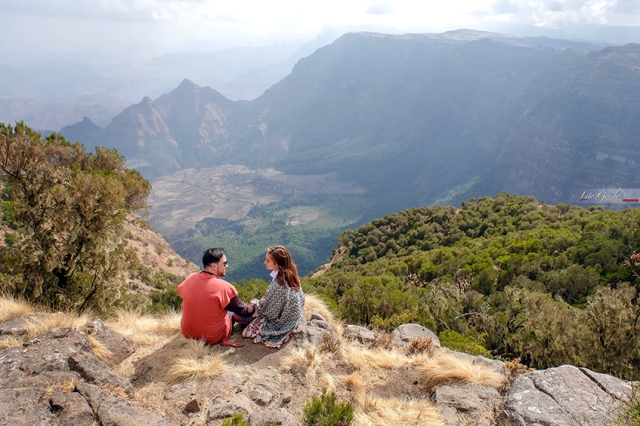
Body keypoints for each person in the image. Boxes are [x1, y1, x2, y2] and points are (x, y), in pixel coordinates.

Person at [177, 247, 254, 346]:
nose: (227, 265)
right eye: (224, 263)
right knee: (231, 311)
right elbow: (242, 310)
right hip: (212, 338)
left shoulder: (190, 278)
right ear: (213, 266)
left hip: (187, 333)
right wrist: (255, 307)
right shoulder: (224, 287)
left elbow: (181, 291)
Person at [242, 245, 305, 349]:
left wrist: (257, 305)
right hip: (292, 317)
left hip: (281, 322)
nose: (264, 262)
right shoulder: (292, 276)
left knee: (237, 316)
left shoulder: (279, 285)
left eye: (268, 260)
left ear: (277, 263)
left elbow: (269, 312)